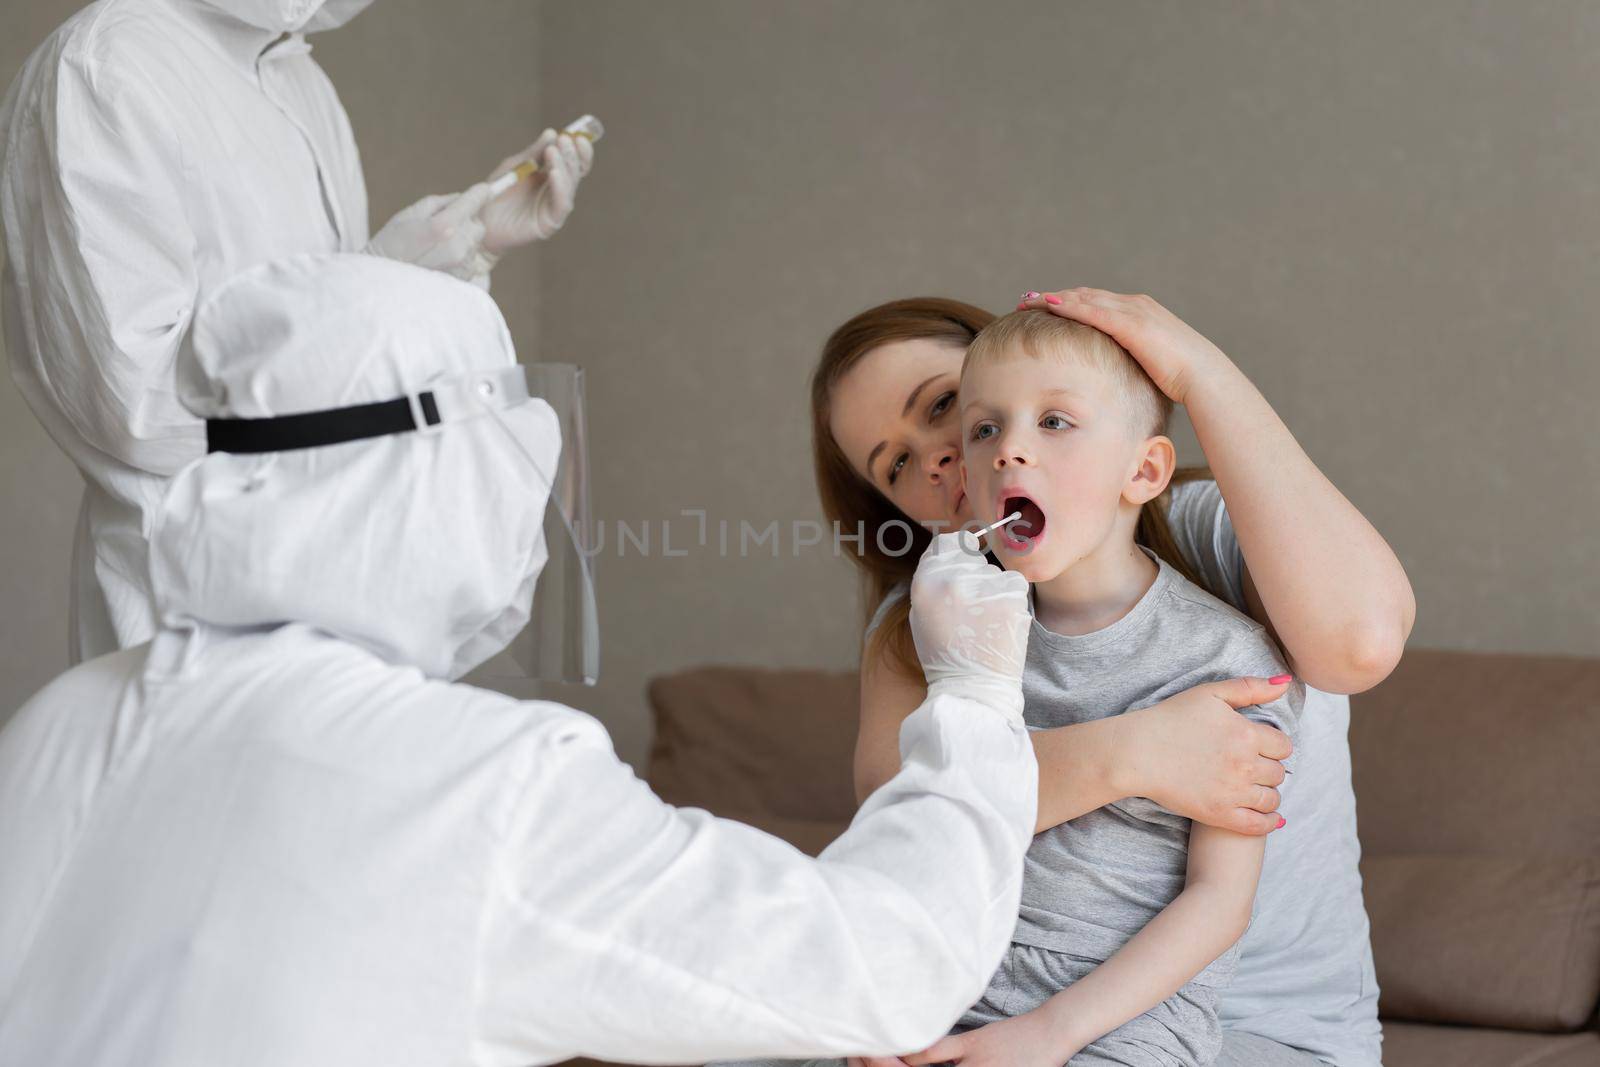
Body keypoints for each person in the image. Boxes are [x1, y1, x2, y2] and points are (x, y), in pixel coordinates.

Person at [0, 252, 1041, 1065]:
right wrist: (977, 693)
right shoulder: (484, 781)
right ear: (440, 472)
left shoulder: (64, 719)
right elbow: (885, 961)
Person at [811, 291, 1415, 1065]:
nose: (944, 455)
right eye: (896, 464)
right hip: (994, 997)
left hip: (1257, 1026)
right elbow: (900, 817)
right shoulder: (925, 618)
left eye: (945, 405)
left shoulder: (1217, 546)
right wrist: (1136, 752)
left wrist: (1196, 368)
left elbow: (1360, 644)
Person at [0, 0, 593, 662]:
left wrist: (460, 250)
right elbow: (131, 407)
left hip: (350, 605)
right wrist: (374, 278)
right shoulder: (107, 67)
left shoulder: (302, 83)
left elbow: (339, 375)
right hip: (191, 630)